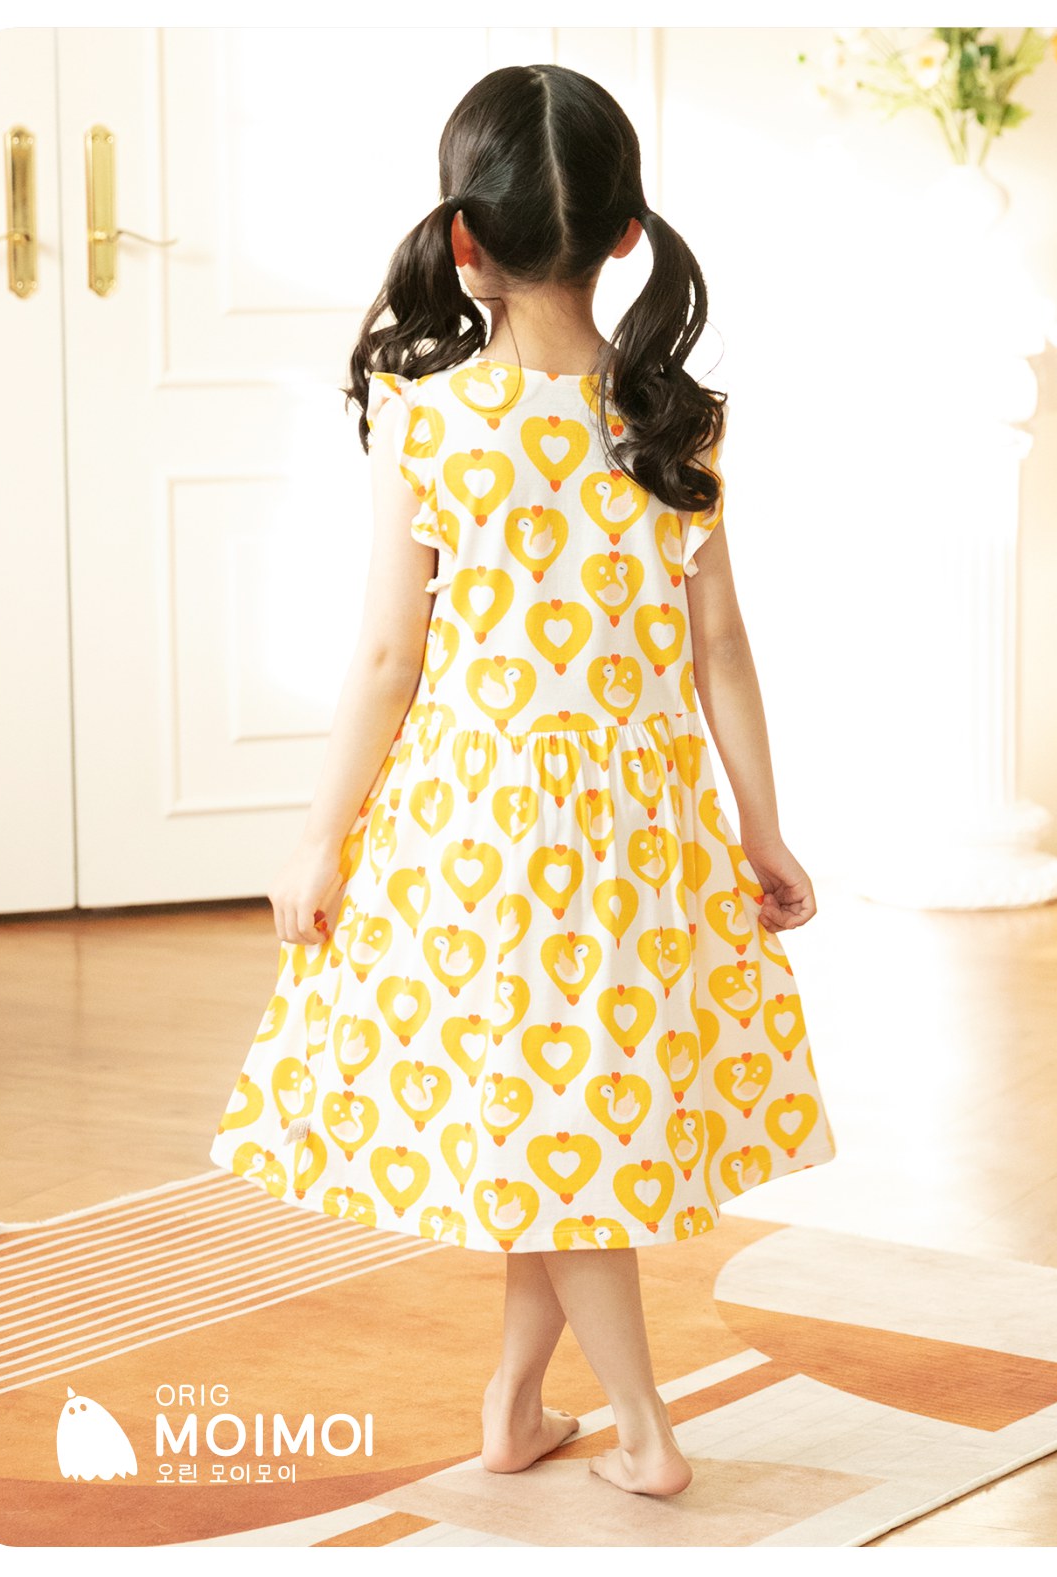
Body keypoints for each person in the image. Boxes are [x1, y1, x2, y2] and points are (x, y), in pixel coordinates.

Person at [209, 61, 837, 1499]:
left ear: (465, 239)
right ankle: (512, 1404)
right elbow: (722, 647)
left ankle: (646, 1430)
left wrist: (318, 838)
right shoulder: (673, 416)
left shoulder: (428, 415)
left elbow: (389, 654)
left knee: (554, 1125)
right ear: (627, 235)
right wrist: (764, 825)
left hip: (474, 832)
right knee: (559, 1116)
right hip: (638, 827)